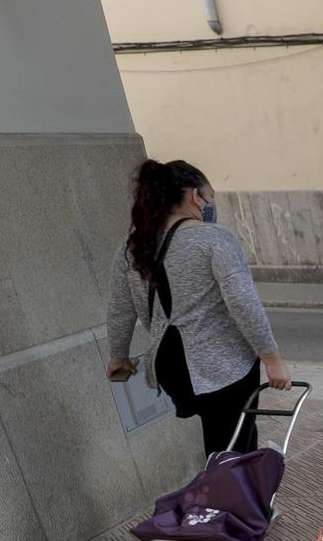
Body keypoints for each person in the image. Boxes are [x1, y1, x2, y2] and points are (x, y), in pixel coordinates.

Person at [105, 159, 291, 455]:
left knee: (220, 446)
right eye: (211, 196)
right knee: (234, 451)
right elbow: (242, 301)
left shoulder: (132, 248)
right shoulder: (215, 239)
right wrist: (272, 360)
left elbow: (120, 309)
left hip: (170, 367)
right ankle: (228, 500)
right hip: (222, 365)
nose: (212, 204)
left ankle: (219, 495)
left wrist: (119, 357)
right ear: (195, 196)